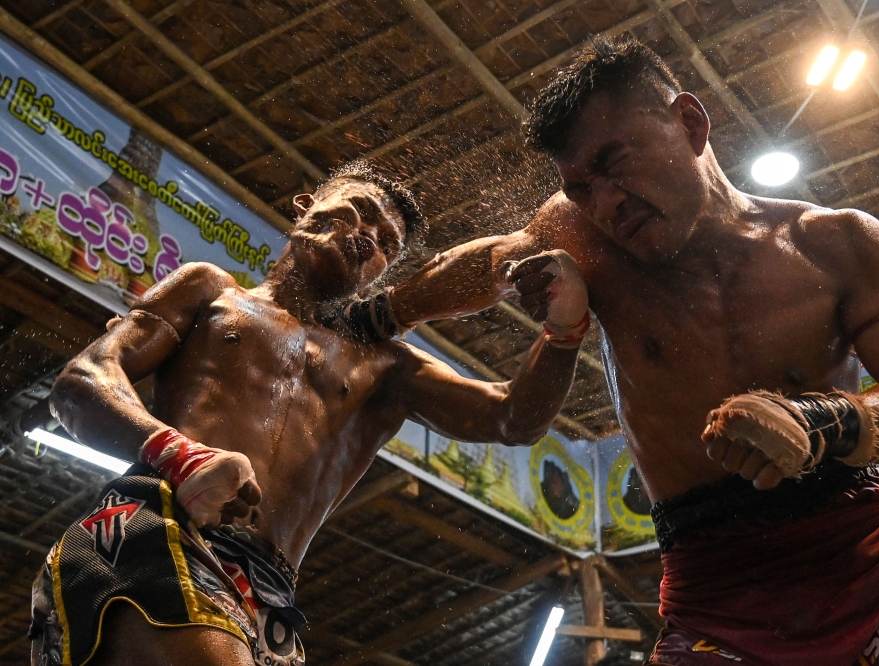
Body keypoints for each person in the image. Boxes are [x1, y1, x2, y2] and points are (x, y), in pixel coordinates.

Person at [383, 37, 879, 666]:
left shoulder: (838, 243)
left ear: (690, 122)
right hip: (716, 602)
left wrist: (825, 421)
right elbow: (486, 265)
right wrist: (376, 315)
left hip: (874, 559)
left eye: (615, 161)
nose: (604, 204)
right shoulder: (584, 241)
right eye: (580, 188)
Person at [30, 162, 590, 666]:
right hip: (160, 527)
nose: (369, 236)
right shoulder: (212, 292)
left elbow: (514, 419)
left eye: (386, 244)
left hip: (268, 595)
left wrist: (565, 332)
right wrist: (180, 456)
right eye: (361, 211)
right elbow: (82, 381)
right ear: (306, 206)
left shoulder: (387, 368)